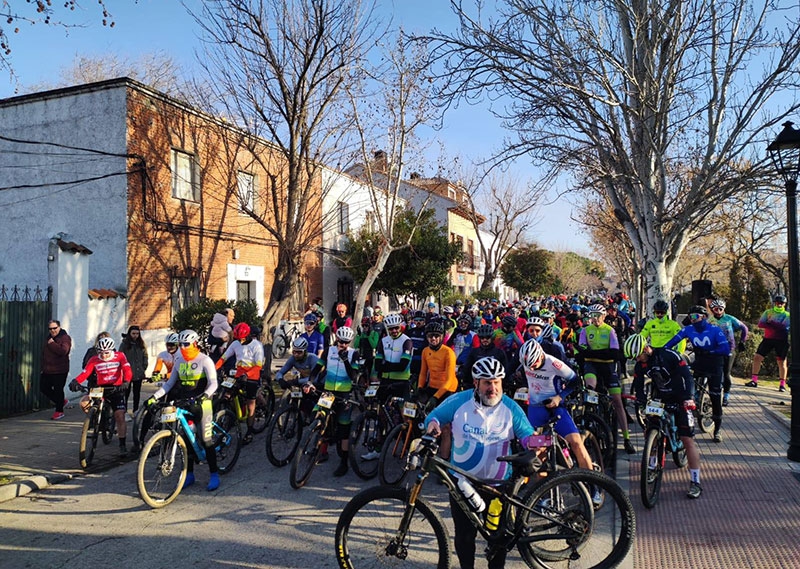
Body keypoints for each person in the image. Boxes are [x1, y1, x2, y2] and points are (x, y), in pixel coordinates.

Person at [424, 356, 536, 569]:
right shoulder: (459, 401)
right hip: (463, 483)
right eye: (487, 382)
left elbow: (527, 434)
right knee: (465, 538)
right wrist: (433, 427)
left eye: (496, 382)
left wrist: (534, 443)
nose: (492, 388)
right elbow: (434, 416)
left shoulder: (510, 407)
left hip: (498, 487)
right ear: (476, 383)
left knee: (498, 540)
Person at [624, 334, 703, 499]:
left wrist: (689, 398)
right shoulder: (640, 363)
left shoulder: (668, 355)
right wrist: (641, 400)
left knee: (687, 440)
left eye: (638, 355)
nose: (638, 360)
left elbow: (687, 377)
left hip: (682, 397)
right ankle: (652, 466)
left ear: (646, 348)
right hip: (661, 398)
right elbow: (638, 385)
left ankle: (696, 482)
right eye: (634, 358)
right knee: (650, 429)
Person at [146, 329, 221, 491]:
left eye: (186, 344)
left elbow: (214, 383)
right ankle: (189, 474)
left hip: (202, 404)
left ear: (195, 344)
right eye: (181, 345)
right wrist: (154, 397)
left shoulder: (204, 360)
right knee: (186, 441)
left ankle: (214, 474)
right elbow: (168, 384)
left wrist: (206, 395)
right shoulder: (179, 361)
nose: (184, 347)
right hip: (184, 404)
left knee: (206, 440)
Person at [517, 339, 596, 482]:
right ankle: (542, 494)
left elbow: (575, 381)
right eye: (528, 367)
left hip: (556, 407)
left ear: (541, 356)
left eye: (534, 365)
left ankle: (594, 485)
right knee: (537, 452)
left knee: (576, 442)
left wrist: (559, 397)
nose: (532, 369)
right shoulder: (527, 361)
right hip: (536, 409)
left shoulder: (553, 363)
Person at [664, 305, 730, 442]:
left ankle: (717, 430)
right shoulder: (688, 329)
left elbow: (725, 348)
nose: (692, 319)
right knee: (684, 384)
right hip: (699, 362)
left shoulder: (714, 330)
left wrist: (711, 352)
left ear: (704, 317)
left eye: (695, 316)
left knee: (715, 396)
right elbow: (673, 341)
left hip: (715, 364)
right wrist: (661, 351)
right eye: (690, 317)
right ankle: (691, 403)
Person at [577, 304, 634, 453]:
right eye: (592, 316)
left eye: (597, 315)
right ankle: (588, 422)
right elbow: (581, 351)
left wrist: (592, 353)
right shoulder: (585, 331)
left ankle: (627, 438)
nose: (594, 319)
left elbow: (614, 353)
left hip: (609, 367)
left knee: (617, 400)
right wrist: (601, 353)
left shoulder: (610, 331)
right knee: (590, 389)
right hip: (592, 366)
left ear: (603, 316)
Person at [305, 326, 360, 476]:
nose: (343, 345)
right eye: (341, 341)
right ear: (336, 339)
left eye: (346, 342)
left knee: (343, 431)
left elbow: (354, 376)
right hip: (328, 392)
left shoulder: (353, 353)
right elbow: (318, 368)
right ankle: (319, 443)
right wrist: (310, 382)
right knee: (315, 415)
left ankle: (343, 463)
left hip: (344, 394)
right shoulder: (329, 350)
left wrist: (346, 361)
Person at [70, 336, 132, 456]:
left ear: (112, 350)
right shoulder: (94, 359)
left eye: (106, 353)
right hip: (100, 388)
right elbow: (85, 373)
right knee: (83, 403)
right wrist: (75, 381)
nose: (103, 355)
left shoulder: (120, 356)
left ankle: (122, 444)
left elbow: (127, 370)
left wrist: (126, 381)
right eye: (100, 353)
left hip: (116, 388)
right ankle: (95, 419)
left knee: (119, 415)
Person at [215, 322, 265, 445]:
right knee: (226, 394)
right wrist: (213, 368)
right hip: (238, 374)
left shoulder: (256, 345)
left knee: (250, 403)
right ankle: (228, 418)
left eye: (242, 339)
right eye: (238, 339)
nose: (240, 341)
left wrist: (247, 375)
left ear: (248, 336)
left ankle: (249, 431)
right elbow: (223, 358)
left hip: (252, 375)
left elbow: (258, 365)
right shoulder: (236, 343)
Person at [707, 299, 749, 405]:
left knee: (726, 373)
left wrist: (742, 341)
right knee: (714, 373)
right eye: (716, 309)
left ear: (724, 309)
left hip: (729, 349)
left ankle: (726, 396)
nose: (718, 311)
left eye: (720, 309)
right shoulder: (709, 320)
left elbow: (744, 328)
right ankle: (714, 394)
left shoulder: (729, 319)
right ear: (712, 310)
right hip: (715, 350)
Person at [748, 294, 791, 391]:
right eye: (777, 303)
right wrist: (775, 324)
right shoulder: (768, 312)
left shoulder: (787, 315)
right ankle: (754, 380)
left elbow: (784, 327)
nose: (779, 305)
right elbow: (760, 324)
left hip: (781, 341)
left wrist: (770, 323)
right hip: (768, 339)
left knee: (781, 362)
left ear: (784, 304)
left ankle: (782, 385)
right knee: (757, 357)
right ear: (774, 303)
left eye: (781, 303)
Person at [41, 319, 72, 420]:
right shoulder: (49, 338)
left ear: (59, 327)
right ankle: (61, 402)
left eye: (55, 328)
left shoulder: (65, 338)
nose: (53, 330)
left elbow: (63, 351)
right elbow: (45, 354)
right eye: (50, 329)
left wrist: (52, 344)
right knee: (43, 388)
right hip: (47, 370)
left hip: (60, 370)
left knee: (58, 390)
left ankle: (59, 411)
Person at [120, 325, 148, 419]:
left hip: (138, 373)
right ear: (129, 333)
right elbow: (121, 357)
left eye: (137, 333)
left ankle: (136, 410)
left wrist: (143, 367)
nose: (135, 335)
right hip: (127, 373)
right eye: (133, 333)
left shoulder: (141, 344)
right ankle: (125, 411)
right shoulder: (124, 344)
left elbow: (145, 355)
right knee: (125, 393)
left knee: (137, 393)